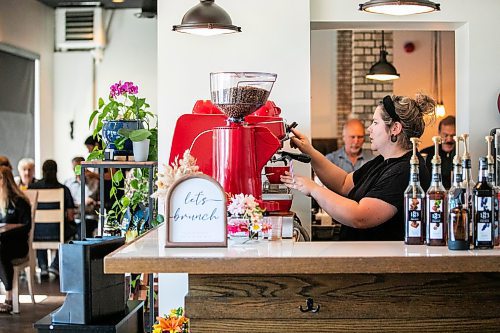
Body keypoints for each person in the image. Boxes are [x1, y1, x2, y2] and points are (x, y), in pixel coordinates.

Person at [281, 94, 434, 241]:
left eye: (375, 122)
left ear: (395, 128)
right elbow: (344, 183)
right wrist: (308, 150)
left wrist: (313, 189)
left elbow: (360, 216)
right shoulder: (383, 161)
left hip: (381, 263)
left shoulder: (406, 170)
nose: (369, 129)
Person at [29, 160, 77, 278]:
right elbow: (71, 216)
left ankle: (43, 267)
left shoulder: (32, 188)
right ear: (56, 171)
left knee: (39, 228)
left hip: (36, 233)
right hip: (57, 232)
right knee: (73, 232)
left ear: (42, 171)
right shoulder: (64, 189)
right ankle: (55, 266)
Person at [0, 166, 31, 313]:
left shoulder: (20, 202)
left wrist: (8, 230)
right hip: (3, 243)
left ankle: (9, 297)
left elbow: (26, 226)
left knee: (1, 251)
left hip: (17, 245)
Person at [64, 157, 99, 239]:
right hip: (73, 218)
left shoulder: (94, 182)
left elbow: (91, 204)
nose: (78, 170)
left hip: (88, 217)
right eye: (75, 167)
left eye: (80, 167)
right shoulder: (68, 183)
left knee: (83, 227)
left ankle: (84, 250)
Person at [420, 116, 456, 189]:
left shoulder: (461, 154)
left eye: (453, 135)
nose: (449, 139)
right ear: (439, 133)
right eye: (445, 135)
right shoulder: (426, 153)